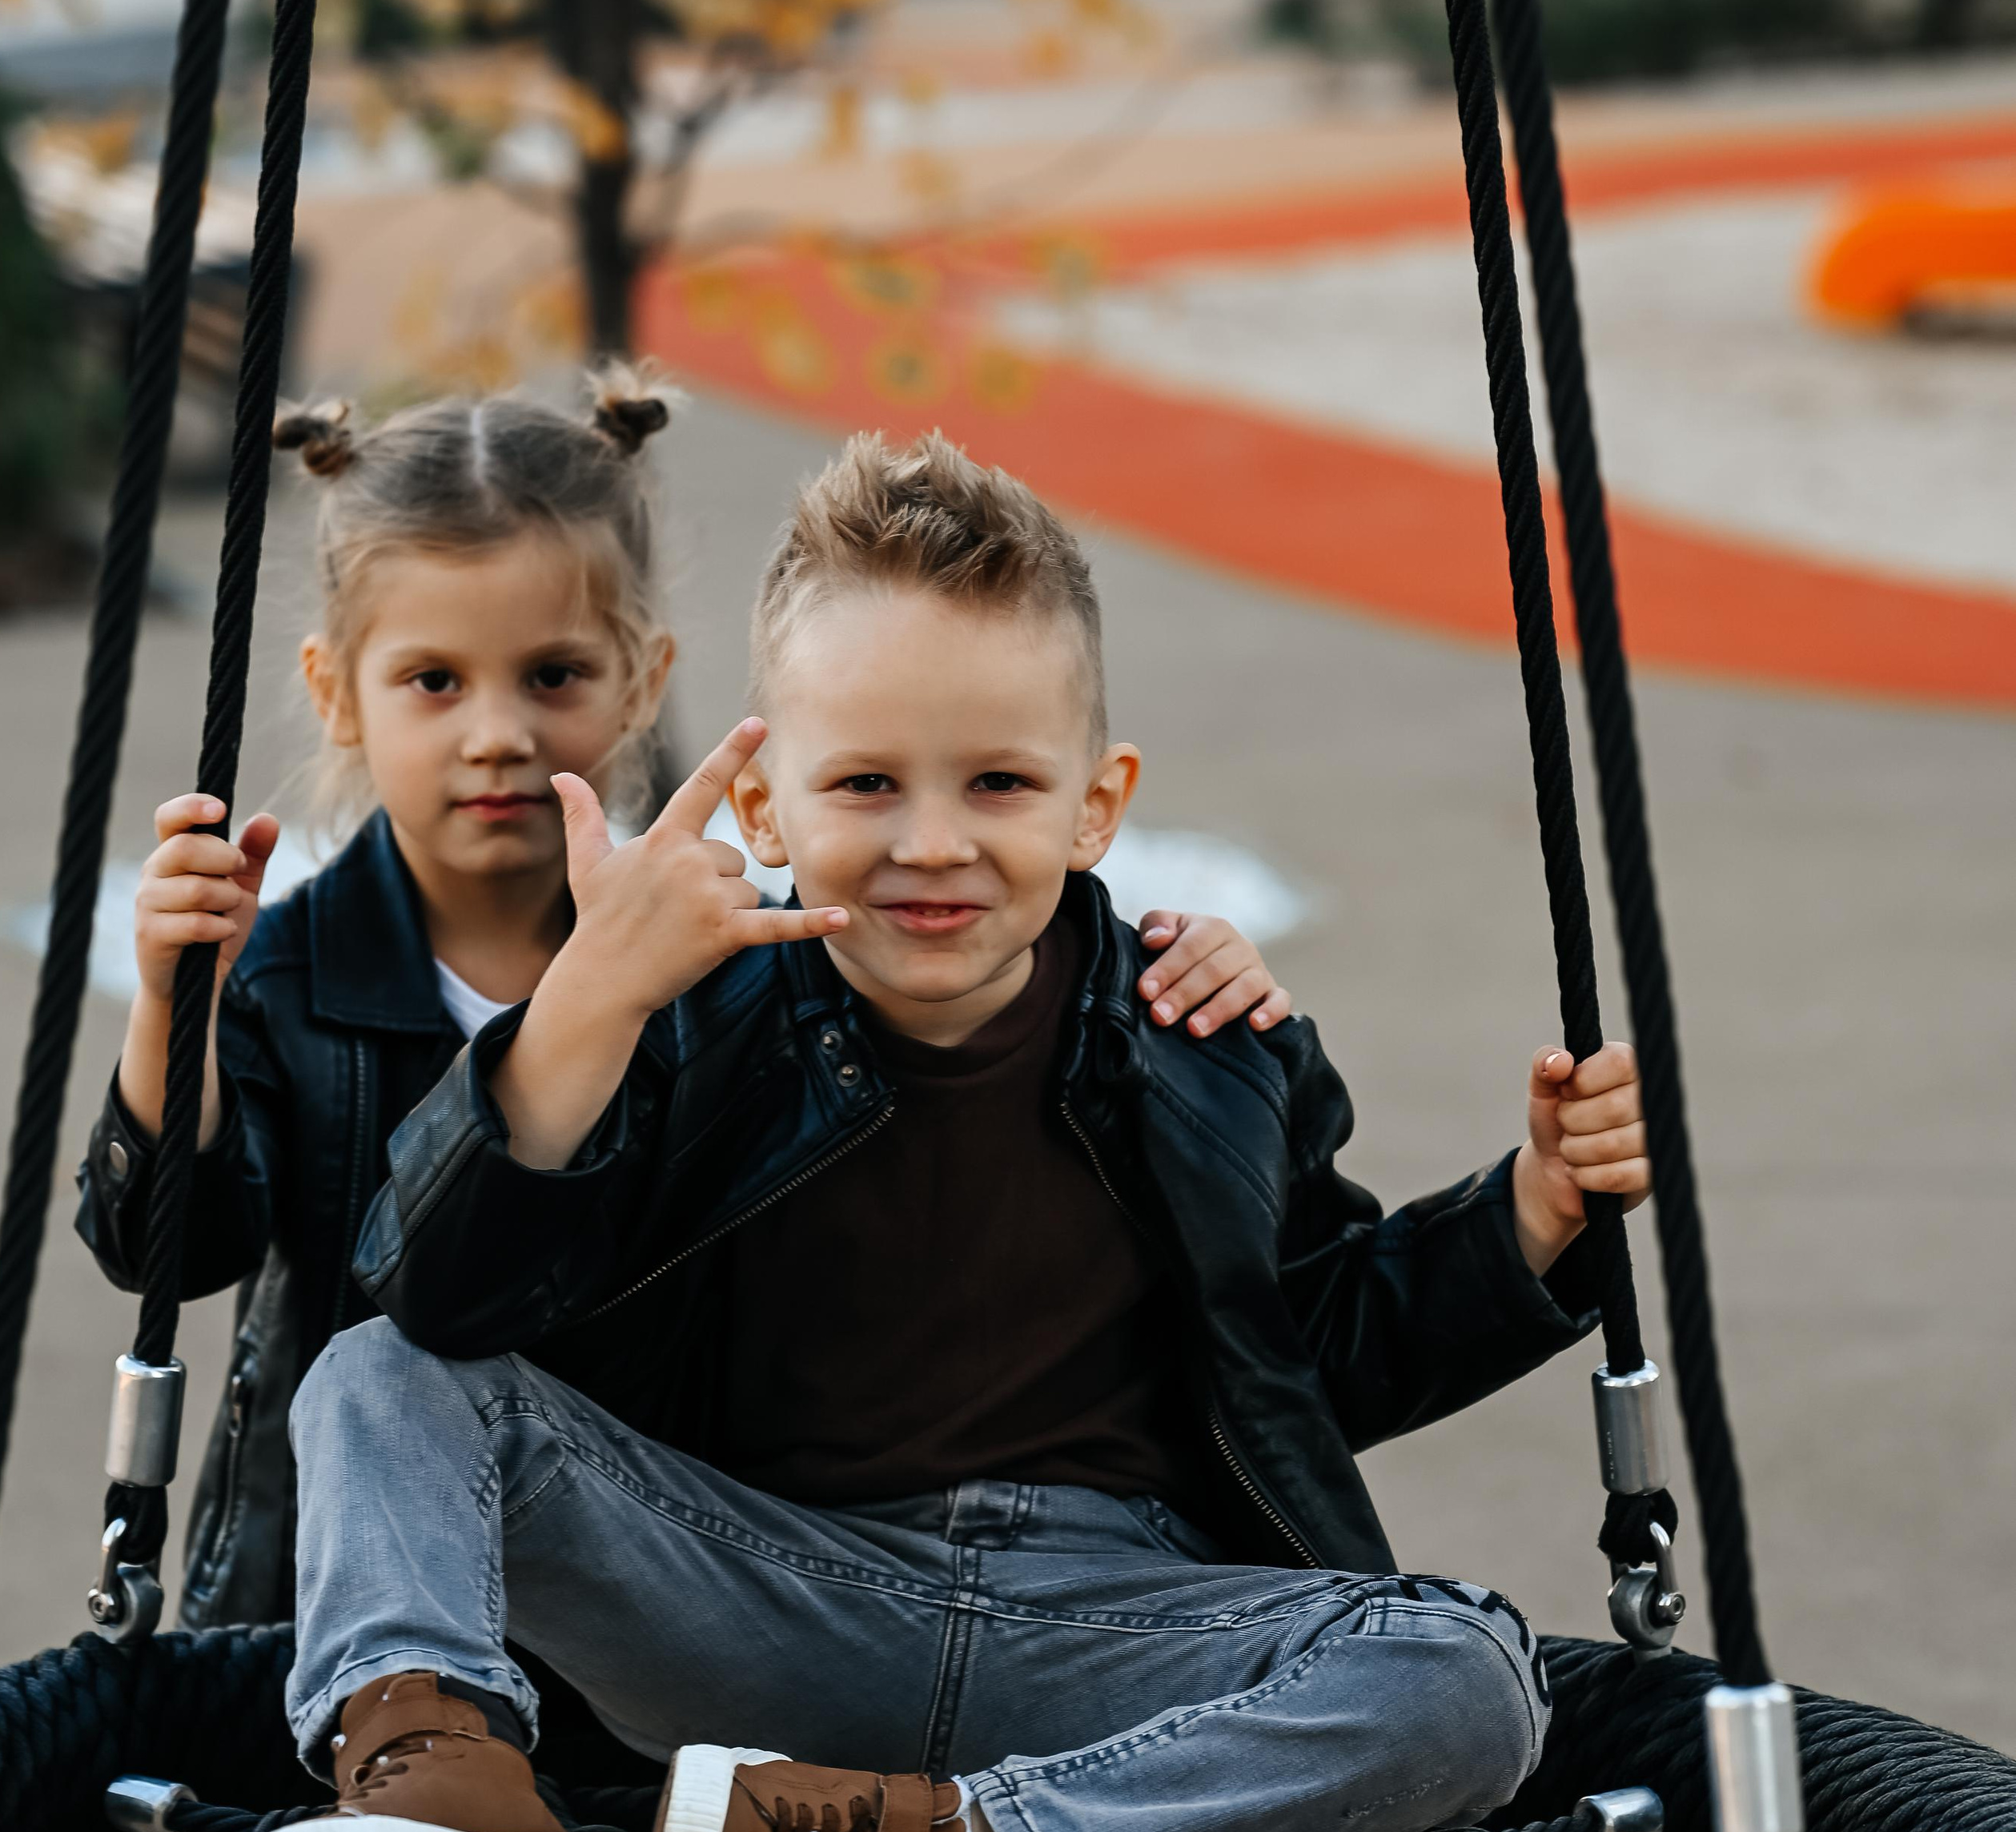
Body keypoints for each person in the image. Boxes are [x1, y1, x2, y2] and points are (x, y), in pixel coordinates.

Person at [224, 432, 1648, 1832]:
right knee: (376, 1373)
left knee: (1461, 1673)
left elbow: (1307, 1356)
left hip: (1107, 1624)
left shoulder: (1204, 1043)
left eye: (996, 782)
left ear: (1094, 806)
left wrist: (1531, 1212)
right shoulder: (692, 1021)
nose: (929, 842)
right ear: (761, 806)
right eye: (862, 783)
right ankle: (444, 1778)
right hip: (769, 1592)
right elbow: (442, 1295)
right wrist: (584, 1005)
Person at [77, 380, 1293, 1631]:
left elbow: (930, 1063)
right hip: (326, 1591)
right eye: (434, 681)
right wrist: (177, 1008)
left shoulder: (731, 960)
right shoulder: (293, 973)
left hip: (645, 1582)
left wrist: (1162, 964)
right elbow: (169, 1248)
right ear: (338, 692)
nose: (496, 734)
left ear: (643, 680)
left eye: (553, 674)